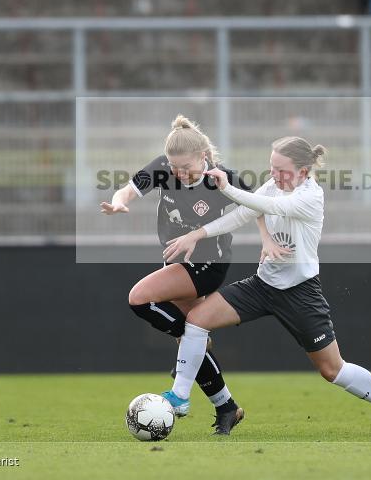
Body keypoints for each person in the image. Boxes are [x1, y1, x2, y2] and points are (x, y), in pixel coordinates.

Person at [159, 137, 371, 436]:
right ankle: (180, 397)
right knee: (197, 320)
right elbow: (244, 214)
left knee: (332, 370)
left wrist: (227, 188)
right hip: (262, 285)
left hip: (300, 293)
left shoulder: (311, 196)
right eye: (271, 168)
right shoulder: (273, 186)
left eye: (282, 170)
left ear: (304, 172)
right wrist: (198, 234)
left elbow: (269, 206)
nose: (274, 175)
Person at [100, 115, 285, 433]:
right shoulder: (164, 168)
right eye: (174, 168)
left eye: (185, 168)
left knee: (139, 298)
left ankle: (190, 347)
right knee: (192, 341)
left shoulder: (222, 177)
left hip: (208, 265)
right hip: (178, 262)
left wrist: (267, 239)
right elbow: (127, 191)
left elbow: (257, 206)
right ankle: (226, 407)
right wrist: (118, 204)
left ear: (204, 157)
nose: (179, 174)